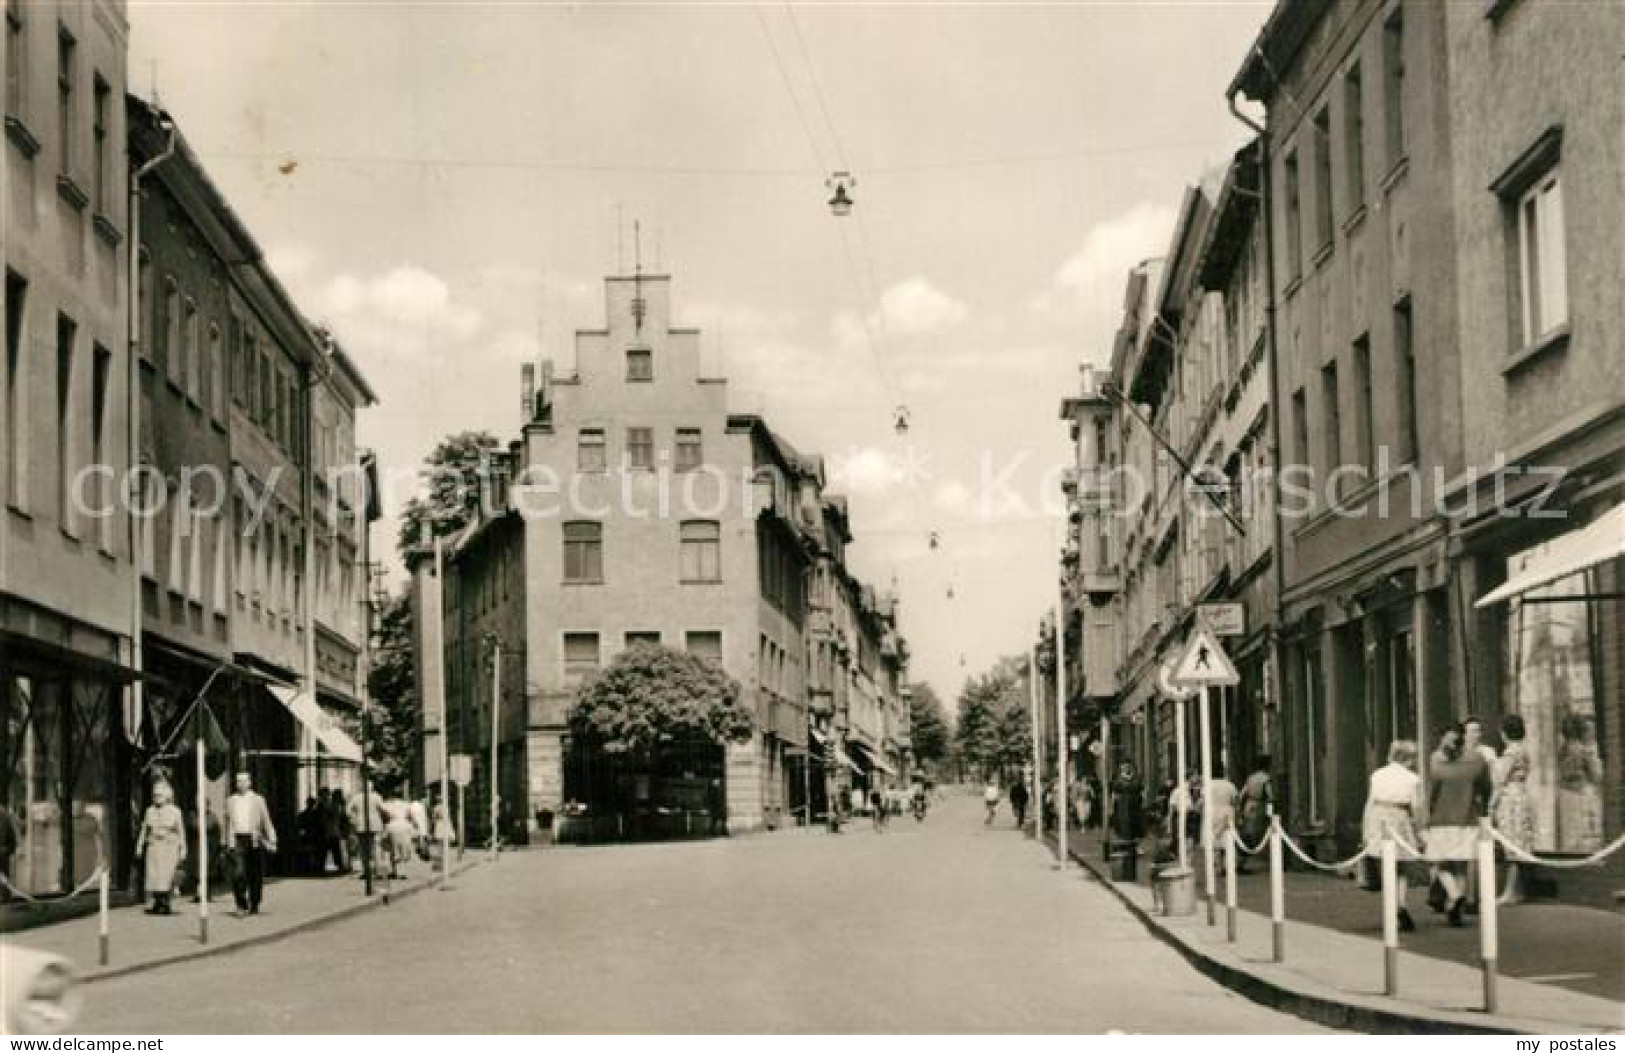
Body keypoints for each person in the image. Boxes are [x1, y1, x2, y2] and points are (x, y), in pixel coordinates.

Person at [1425, 724, 1492, 927]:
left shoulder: (1437, 761)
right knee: (1461, 865)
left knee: (1439, 863)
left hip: (1442, 818)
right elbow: (1486, 788)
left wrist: (1429, 811)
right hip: (1467, 817)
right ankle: (1458, 901)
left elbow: (1434, 792)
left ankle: (1454, 894)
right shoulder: (1478, 760)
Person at [1361, 740, 1426, 932]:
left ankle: (1391, 907)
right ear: (1408, 759)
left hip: (1378, 817)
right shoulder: (1413, 779)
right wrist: (1420, 830)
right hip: (1399, 817)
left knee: (1384, 866)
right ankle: (1401, 903)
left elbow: (1370, 802)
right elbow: (1416, 806)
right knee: (1401, 866)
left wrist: (1365, 829)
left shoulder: (1377, 775)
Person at [1490, 714, 1535, 905]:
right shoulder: (1523, 750)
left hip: (1510, 799)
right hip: (1522, 795)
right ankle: (1518, 890)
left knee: (1512, 844)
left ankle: (1510, 892)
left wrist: (1492, 805)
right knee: (1520, 843)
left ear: (1504, 733)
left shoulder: (1510, 753)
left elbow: (1499, 779)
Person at [223, 772, 277, 916]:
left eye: (243, 781)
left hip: (253, 839)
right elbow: (226, 822)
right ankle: (241, 903)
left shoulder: (258, 800)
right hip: (237, 839)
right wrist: (225, 842)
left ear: (249, 783)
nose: (240, 784)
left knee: (255, 874)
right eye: (238, 781)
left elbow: (266, 820)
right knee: (237, 873)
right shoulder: (230, 801)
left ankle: (254, 902)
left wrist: (272, 839)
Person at [135, 783, 186, 915]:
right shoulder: (149, 811)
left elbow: (181, 831)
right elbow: (144, 829)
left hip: (169, 847)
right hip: (154, 846)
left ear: (167, 796)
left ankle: (166, 904)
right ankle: (157, 903)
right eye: (155, 795)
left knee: (166, 876)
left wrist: (183, 848)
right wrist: (139, 845)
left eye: (159, 795)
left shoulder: (175, 811)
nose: (156, 798)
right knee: (153, 876)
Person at [1235, 757, 1274, 874]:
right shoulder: (1265, 778)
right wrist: (1270, 811)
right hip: (1259, 806)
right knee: (1257, 834)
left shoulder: (1250, 778)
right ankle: (1243, 862)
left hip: (1248, 805)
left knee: (1248, 833)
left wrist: (1241, 810)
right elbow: (1270, 795)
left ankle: (1241, 861)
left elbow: (1242, 794)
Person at [295, 796, 323, 876]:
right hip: (310, 836)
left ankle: (311, 867)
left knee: (311, 852)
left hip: (312, 836)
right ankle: (310, 867)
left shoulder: (309, 815)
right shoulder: (313, 815)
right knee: (309, 852)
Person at [408, 796, 431, 861]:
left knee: (418, 840)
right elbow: (426, 816)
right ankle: (426, 853)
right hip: (423, 824)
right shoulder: (421, 806)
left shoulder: (410, 806)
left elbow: (410, 816)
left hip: (415, 825)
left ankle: (423, 854)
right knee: (423, 839)